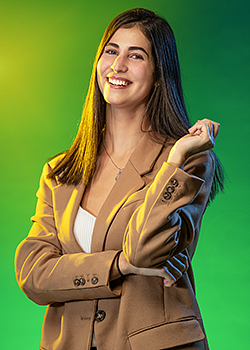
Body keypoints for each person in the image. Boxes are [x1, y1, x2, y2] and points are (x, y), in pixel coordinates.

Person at [15, 8, 224, 350]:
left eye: (136, 55)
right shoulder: (60, 171)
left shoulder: (188, 160)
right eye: (111, 51)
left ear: (159, 74)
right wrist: (118, 264)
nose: (118, 66)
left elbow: (144, 251)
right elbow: (33, 273)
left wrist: (173, 159)